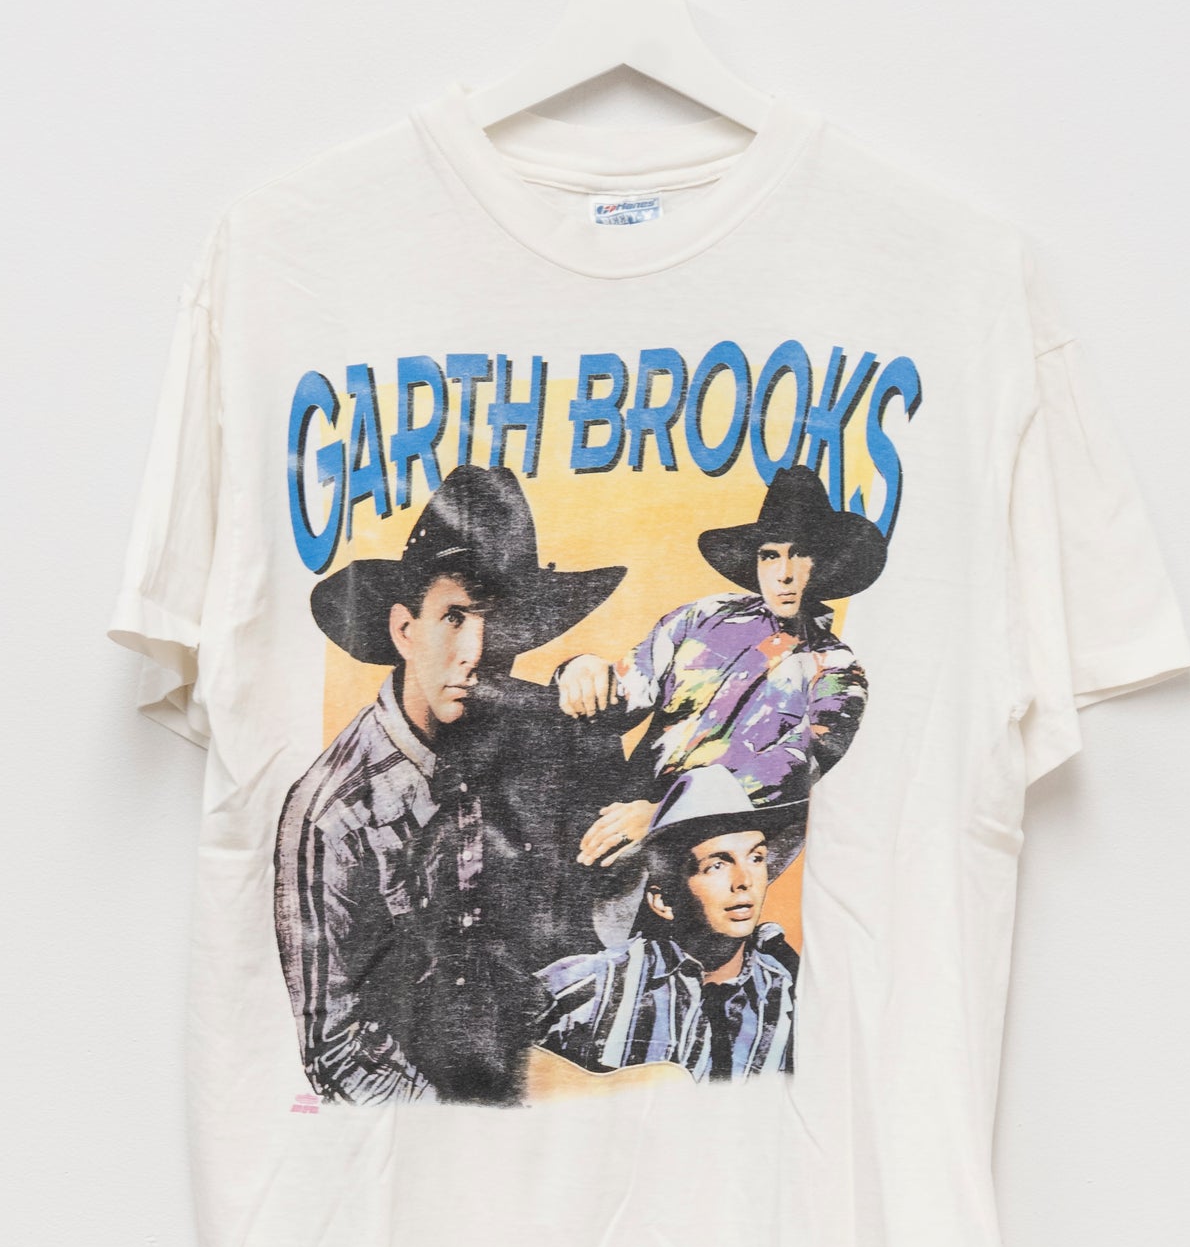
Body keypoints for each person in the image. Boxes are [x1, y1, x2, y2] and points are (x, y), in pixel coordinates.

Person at [274, 466, 626, 1105]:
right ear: (404, 630)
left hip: (553, 1086)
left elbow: (616, 905)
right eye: (454, 617)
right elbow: (336, 1053)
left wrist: (590, 689)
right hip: (423, 1121)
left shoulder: (539, 735)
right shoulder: (333, 812)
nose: (476, 652)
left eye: (497, 620)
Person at [553, 462, 888, 872]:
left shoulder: (838, 670)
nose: (784, 574)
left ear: (825, 564)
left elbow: (795, 767)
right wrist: (579, 669)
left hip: (717, 850)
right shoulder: (703, 617)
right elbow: (623, 699)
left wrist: (665, 812)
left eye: (800, 555)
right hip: (619, 822)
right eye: (770, 555)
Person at [533, 767, 805, 1084]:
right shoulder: (588, 985)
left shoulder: (790, 998)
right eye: (716, 865)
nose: (744, 881)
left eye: (756, 858)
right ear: (663, 901)